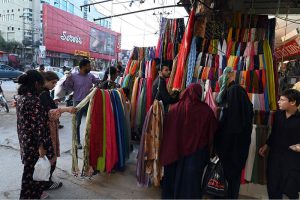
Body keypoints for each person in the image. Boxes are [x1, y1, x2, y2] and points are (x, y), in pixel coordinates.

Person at [160, 83, 218, 199]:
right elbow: (212, 132)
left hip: (175, 152)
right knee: (191, 184)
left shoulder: (174, 108)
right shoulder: (207, 111)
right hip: (196, 155)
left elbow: (167, 131)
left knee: (174, 180)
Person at [214, 66, 254, 199]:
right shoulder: (236, 91)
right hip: (236, 142)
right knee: (232, 176)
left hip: (231, 142)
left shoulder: (233, 91)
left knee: (228, 174)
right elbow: (246, 113)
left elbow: (232, 119)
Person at [16, 70, 54, 199]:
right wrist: (41, 147)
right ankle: (32, 196)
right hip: (34, 144)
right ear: (36, 84)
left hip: (26, 141)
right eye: (41, 84)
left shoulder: (21, 97)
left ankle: (26, 196)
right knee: (35, 176)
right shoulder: (33, 100)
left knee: (29, 173)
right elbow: (38, 126)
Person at [259, 89, 300, 199]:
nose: (278, 102)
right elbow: (274, 133)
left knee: (290, 189)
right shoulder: (278, 115)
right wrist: (266, 145)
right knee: (273, 187)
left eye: (282, 100)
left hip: (292, 160)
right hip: (275, 157)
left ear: (293, 102)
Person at [40, 71, 76, 190]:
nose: (54, 85)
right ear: (44, 81)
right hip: (47, 130)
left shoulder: (43, 93)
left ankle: (45, 180)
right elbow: (50, 114)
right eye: (53, 82)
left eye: (56, 83)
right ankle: (46, 182)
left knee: (48, 155)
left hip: (45, 130)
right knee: (50, 156)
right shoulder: (43, 94)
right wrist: (65, 109)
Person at [63, 58, 100, 149]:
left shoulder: (90, 76)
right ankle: (77, 141)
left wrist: (97, 86)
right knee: (77, 123)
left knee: (91, 122)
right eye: (88, 66)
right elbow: (67, 87)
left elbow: (97, 83)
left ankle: (90, 141)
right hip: (78, 102)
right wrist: (68, 78)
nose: (90, 67)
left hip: (89, 101)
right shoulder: (73, 76)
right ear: (83, 67)